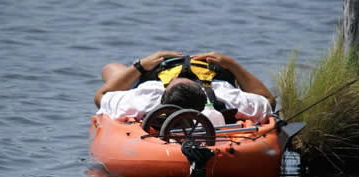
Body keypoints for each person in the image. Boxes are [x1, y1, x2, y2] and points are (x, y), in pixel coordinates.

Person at [94, 51, 276, 122]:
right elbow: (268, 100)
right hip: (213, 70)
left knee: (110, 69)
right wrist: (231, 64)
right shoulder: (226, 96)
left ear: (165, 91)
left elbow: (102, 96)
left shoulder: (147, 97)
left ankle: (132, 69)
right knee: (239, 86)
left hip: (156, 70)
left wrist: (140, 66)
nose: (181, 76)